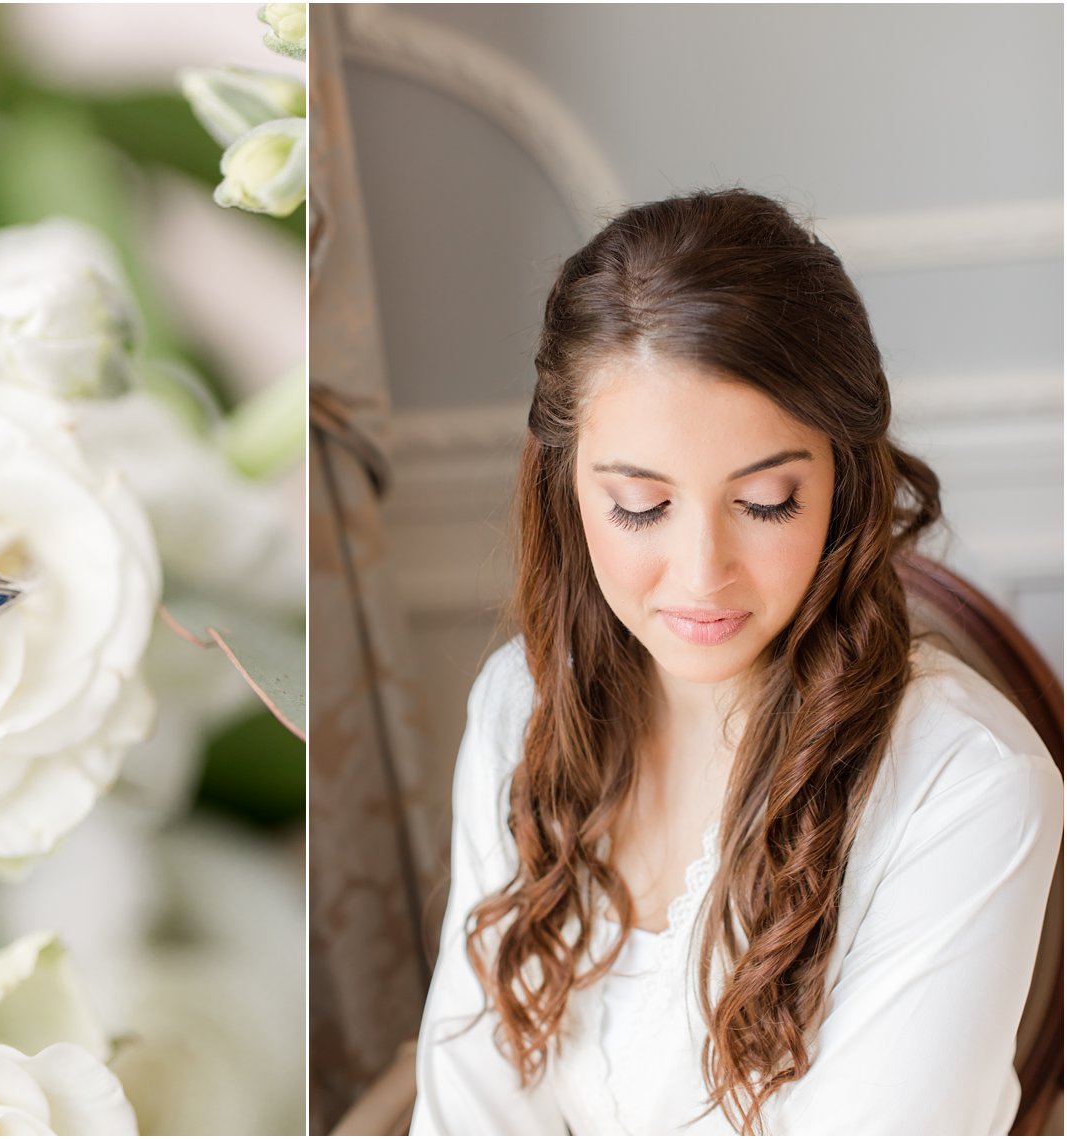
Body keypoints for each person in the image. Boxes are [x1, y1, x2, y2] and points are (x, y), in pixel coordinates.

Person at [409, 188, 1063, 1135]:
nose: (702, 574)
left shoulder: (965, 783)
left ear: (842, 482)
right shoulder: (522, 705)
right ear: (565, 486)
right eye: (640, 504)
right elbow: (469, 1109)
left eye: (764, 502)